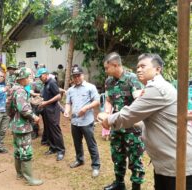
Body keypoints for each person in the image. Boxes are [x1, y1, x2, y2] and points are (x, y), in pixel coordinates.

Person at [99, 53, 192, 190]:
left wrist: (108, 120)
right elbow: (153, 120)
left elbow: (130, 114)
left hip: (177, 163)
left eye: (143, 66)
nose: (138, 70)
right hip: (167, 162)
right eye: (137, 67)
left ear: (157, 69)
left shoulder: (156, 89)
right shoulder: (153, 87)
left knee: (135, 161)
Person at [102, 52, 145, 190]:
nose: (105, 71)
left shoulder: (132, 79)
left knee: (135, 160)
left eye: (106, 68)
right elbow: (109, 100)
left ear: (115, 65)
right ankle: (119, 184)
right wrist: (107, 114)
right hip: (117, 127)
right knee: (117, 157)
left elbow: (139, 103)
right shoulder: (109, 81)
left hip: (133, 129)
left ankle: (136, 187)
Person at [7, 67, 43, 186]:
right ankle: (29, 179)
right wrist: (34, 117)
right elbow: (23, 109)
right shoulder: (21, 91)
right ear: (23, 79)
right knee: (26, 151)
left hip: (15, 124)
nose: (30, 79)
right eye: (28, 77)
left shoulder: (14, 89)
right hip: (22, 126)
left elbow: (13, 107)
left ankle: (19, 173)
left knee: (18, 149)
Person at [64, 66, 101, 178]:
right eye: (74, 76)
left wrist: (86, 108)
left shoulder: (90, 87)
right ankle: (79, 160)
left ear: (82, 75)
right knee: (77, 143)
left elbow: (97, 101)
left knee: (91, 144)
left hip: (87, 121)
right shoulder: (70, 90)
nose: (76, 78)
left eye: (78, 75)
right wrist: (66, 111)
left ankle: (95, 166)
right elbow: (68, 103)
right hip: (75, 121)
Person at [37, 68, 65, 161]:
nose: (40, 78)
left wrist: (46, 102)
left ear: (45, 74)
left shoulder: (52, 82)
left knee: (55, 130)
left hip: (53, 110)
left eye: (40, 76)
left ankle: (61, 150)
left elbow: (58, 96)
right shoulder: (45, 83)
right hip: (46, 110)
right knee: (49, 130)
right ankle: (53, 147)